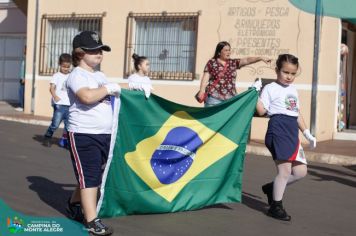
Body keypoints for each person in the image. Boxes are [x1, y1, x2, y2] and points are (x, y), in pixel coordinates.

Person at [66, 31, 120, 236]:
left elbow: (110, 94)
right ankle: (91, 221)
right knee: (90, 177)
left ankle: (73, 204)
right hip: (83, 134)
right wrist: (108, 88)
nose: (99, 53)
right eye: (93, 50)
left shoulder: (99, 75)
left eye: (101, 50)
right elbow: (87, 97)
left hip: (104, 134)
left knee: (92, 175)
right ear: (80, 53)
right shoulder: (76, 75)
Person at [255, 54, 317, 221]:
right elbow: (261, 111)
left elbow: (296, 114)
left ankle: (272, 188)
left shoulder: (293, 90)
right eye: (285, 72)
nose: (289, 77)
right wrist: (255, 93)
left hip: (292, 132)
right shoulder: (270, 88)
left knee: (301, 171)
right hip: (278, 129)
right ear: (277, 70)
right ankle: (276, 206)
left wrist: (306, 133)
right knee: (285, 171)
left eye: (292, 73)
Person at [196, 41, 270, 107]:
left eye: (229, 50)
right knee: (212, 120)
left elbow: (247, 60)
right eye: (226, 50)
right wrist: (202, 91)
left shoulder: (233, 63)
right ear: (219, 52)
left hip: (230, 100)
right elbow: (205, 78)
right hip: (214, 98)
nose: (228, 52)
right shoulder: (212, 63)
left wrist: (260, 58)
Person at [43, 53, 72, 147]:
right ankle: (47, 137)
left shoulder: (71, 76)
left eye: (68, 67)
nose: (66, 69)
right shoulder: (56, 76)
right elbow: (51, 88)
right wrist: (55, 96)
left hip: (69, 104)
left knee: (68, 126)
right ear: (59, 64)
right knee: (55, 124)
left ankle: (67, 142)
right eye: (64, 66)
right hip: (59, 104)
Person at [15, 46, 26, 112]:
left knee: (22, 93)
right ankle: (22, 106)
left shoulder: (27, 59)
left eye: (24, 49)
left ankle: (22, 106)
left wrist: (24, 78)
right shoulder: (25, 58)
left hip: (24, 79)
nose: (23, 51)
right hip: (22, 79)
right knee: (20, 92)